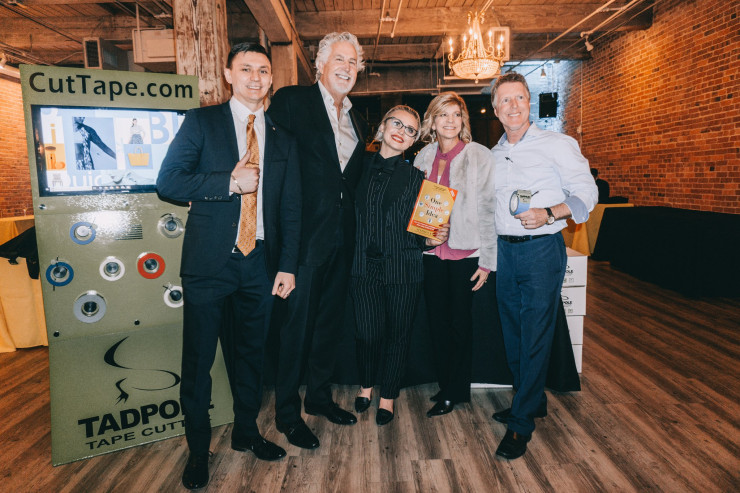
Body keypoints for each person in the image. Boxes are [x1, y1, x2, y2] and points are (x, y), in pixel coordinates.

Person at [156, 42, 301, 489]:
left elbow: (291, 207)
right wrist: (228, 183)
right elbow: (168, 182)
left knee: (252, 358)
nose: (256, 77)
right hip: (209, 264)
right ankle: (199, 450)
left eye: (263, 70)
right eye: (246, 69)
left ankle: (246, 432)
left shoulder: (282, 136)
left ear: (271, 77)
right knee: (198, 361)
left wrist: (288, 265)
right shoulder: (201, 123)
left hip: (260, 263)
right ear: (228, 74)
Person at [267, 32, 368, 449]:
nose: (347, 68)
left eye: (353, 62)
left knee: (328, 325)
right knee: (295, 330)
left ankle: (319, 398)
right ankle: (287, 414)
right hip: (302, 240)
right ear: (321, 64)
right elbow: (272, 163)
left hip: (342, 239)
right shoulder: (293, 101)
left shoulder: (357, 119)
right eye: (339, 59)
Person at [490, 72, 597, 460]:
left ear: (529, 102)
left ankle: (521, 424)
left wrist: (550, 213)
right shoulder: (493, 154)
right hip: (504, 251)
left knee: (535, 335)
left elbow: (587, 193)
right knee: (514, 334)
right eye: (505, 100)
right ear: (496, 109)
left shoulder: (558, 144)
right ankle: (530, 400)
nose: (513, 105)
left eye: (520, 97)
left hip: (541, 251)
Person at [352, 105, 450, 426]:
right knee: (367, 334)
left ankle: (388, 395)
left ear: (413, 141)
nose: (402, 132)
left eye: (410, 130)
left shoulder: (419, 180)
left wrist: (432, 239)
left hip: (404, 268)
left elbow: (423, 234)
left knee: (398, 335)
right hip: (362, 267)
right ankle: (366, 384)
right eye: (397, 123)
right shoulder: (355, 169)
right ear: (381, 128)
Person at [413, 92, 497, 418]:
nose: (450, 121)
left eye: (456, 114)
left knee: (460, 325)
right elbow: (416, 206)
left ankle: (455, 391)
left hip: (466, 253)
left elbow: (488, 209)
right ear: (432, 122)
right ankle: (446, 383)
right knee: (437, 323)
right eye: (443, 114)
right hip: (431, 254)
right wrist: (423, 237)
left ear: (463, 121)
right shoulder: (423, 156)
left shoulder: (479, 155)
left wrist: (488, 261)